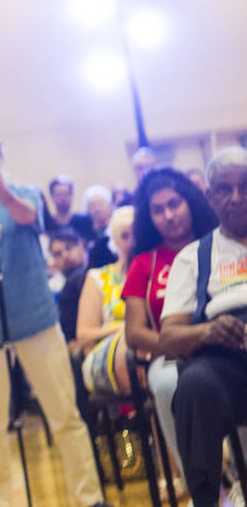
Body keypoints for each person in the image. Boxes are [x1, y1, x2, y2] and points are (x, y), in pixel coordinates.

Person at [0, 127, 108, 507]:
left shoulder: (26, 193)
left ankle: (89, 498)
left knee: (65, 414)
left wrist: (0, 192)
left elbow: (32, 217)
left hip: (35, 318)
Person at [158, 148, 247, 507]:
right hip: (227, 365)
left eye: (245, 186)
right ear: (210, 197)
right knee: (194, 385)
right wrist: (207, 332)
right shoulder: (193, 257)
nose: (238, 198)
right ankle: (208, 500)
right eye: (225, 189)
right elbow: (168, 338)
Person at [121, 166, 218, 488]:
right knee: (165, 385)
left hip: (225, 345)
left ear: (190, 202)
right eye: (157, 210)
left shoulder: (220, 245)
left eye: (174, 204)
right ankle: (202, 487)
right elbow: (134, 333)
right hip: (169, 356)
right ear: (149, 217)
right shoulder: (143, 264)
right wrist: (184, 342)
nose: (168, 215)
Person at [76, 206, 135, 393]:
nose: (132, 242)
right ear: (115, 241)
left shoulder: (154, 271)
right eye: (125, 236)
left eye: (136, 235)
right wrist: (123, 329)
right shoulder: (98, 278)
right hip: (108, 354)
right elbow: (84, 336)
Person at [49, 228, 89, 350]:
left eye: (69, 248)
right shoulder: (52, 289)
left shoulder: (100, 270)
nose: (65, 256)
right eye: (58, 254)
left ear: (81, 245)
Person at [44, 176, 94, 241]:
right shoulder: (48, 224)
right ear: (52, 196)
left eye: (66, 194)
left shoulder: (85, 221)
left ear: (72, 195)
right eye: (59, 194)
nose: (63, 198)